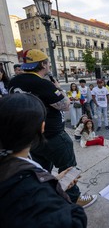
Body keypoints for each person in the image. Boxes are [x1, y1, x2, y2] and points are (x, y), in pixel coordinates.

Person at [8, 49, 96, 207]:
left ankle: (47, 194)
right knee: (69, 167)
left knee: (42, 169)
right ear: (43, 64)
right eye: (48, 62)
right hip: (53, 135)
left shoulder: (14, 82)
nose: (49, 65)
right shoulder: (43, 83)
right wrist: (58, 88)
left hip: (32, 136)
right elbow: (65, 105)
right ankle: (75, 199)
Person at [0, 93, 87, 227]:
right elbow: (74, 221)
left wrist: (55, 182)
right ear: (42, 127)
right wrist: (55, 190)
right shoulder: (33, 190)